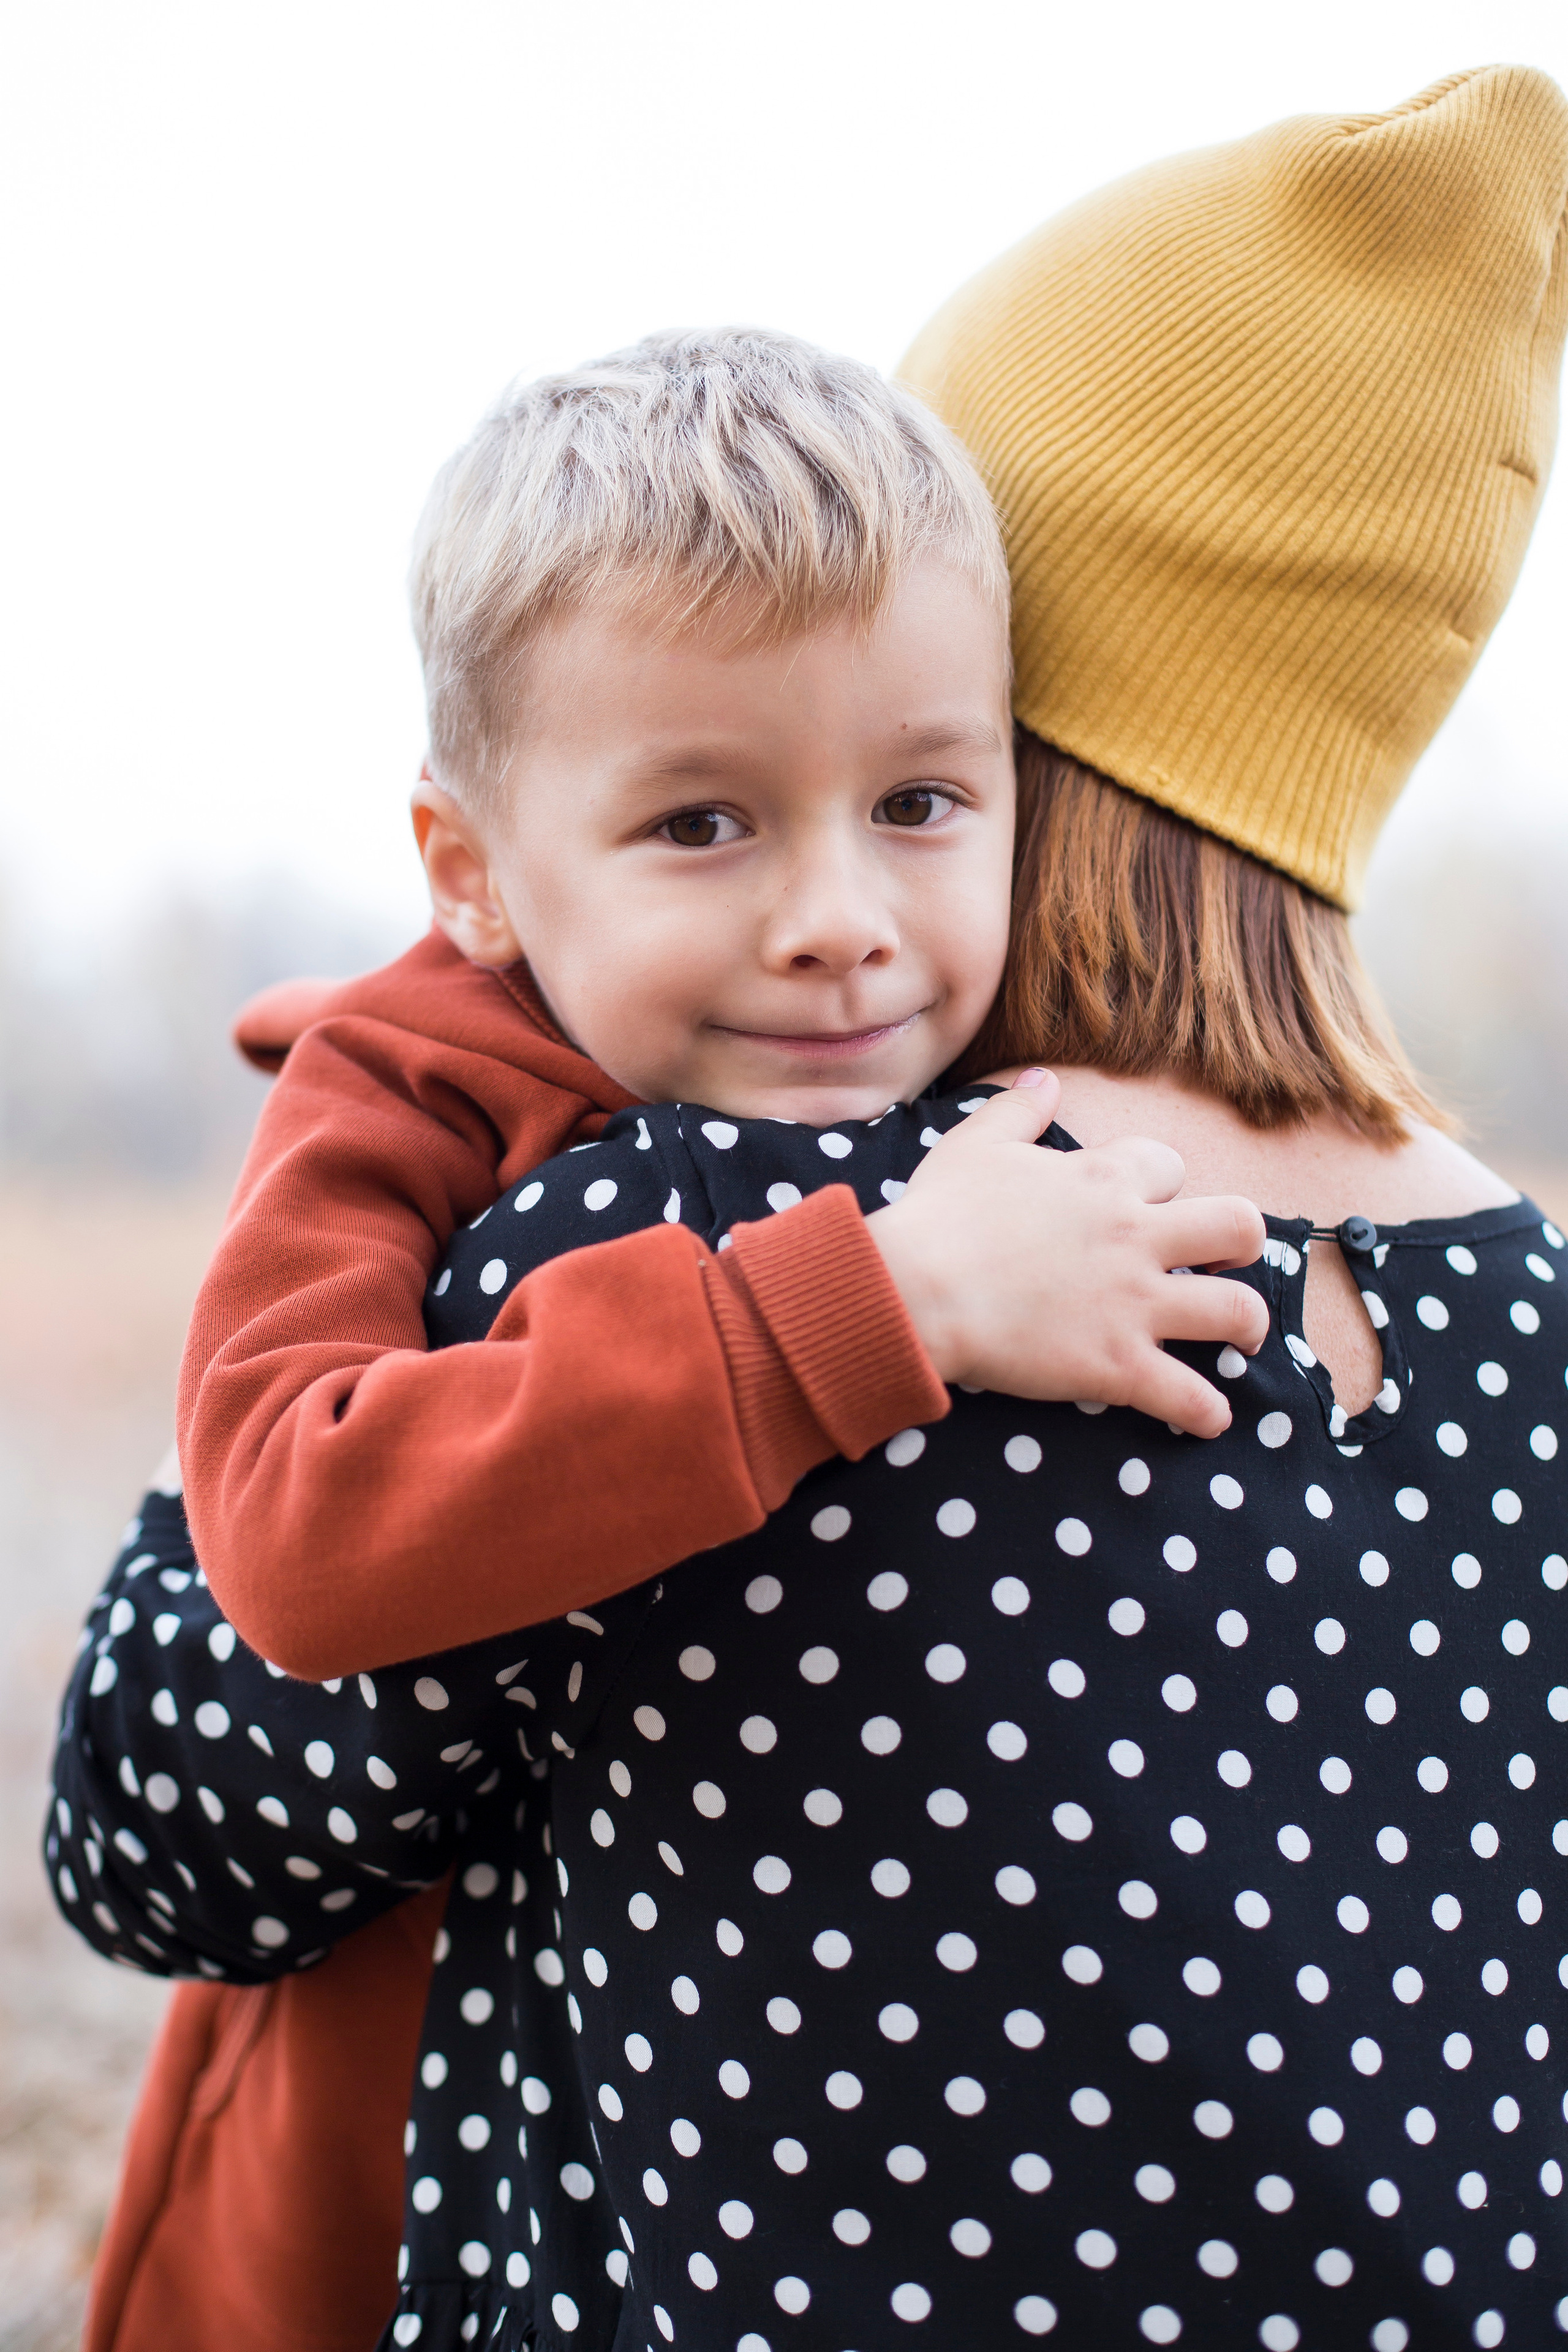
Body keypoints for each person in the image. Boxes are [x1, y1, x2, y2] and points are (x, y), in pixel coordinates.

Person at [55, 56, 1568, 2352]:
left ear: (1025, 661)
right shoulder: (1534, 1324)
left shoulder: (714, 1245)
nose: (836, 918)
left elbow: (164, 1828)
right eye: (711, 816)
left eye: (919, 785)